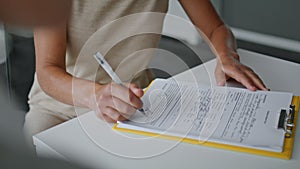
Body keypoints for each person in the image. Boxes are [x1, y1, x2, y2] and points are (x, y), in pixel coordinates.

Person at [24, 0, 268, 143]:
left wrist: (226, 55)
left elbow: (216, 28)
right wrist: (96, 95)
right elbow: (47, 72)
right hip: (58, 110)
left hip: (139, 105)